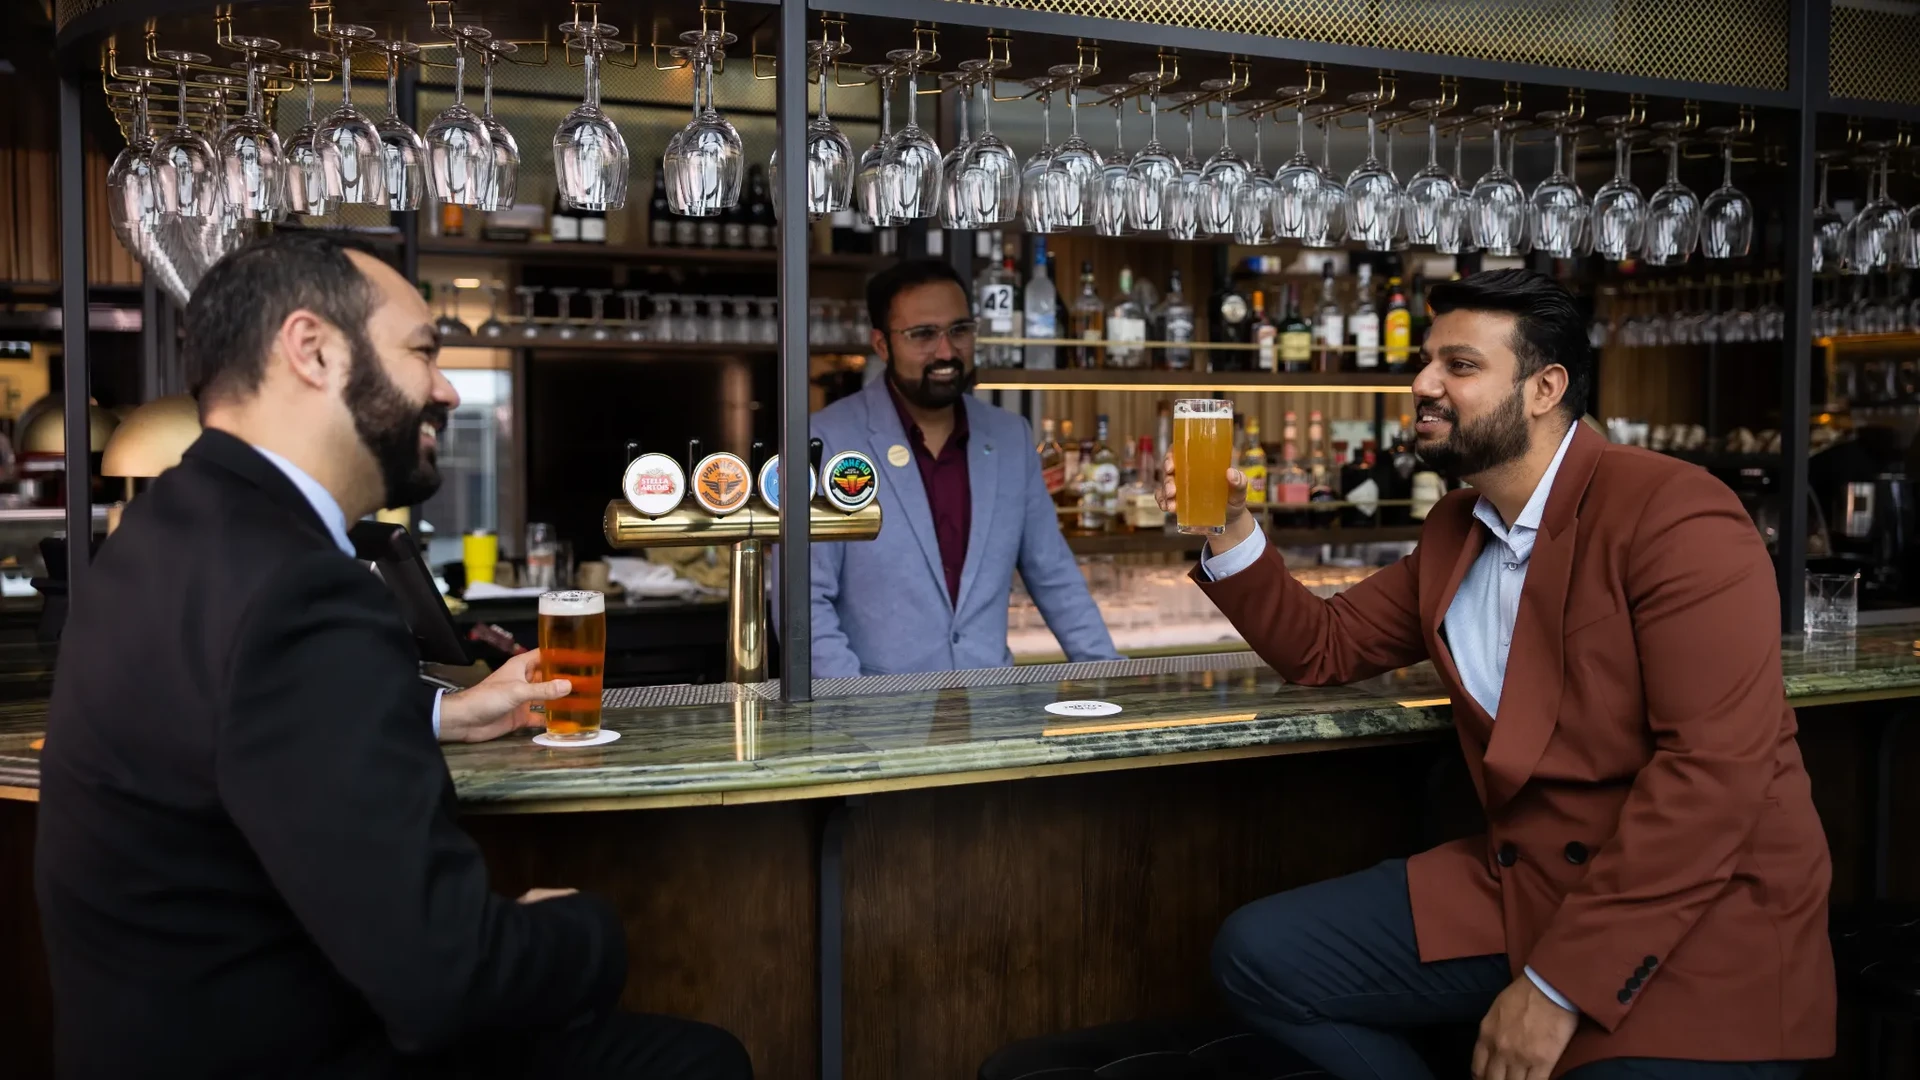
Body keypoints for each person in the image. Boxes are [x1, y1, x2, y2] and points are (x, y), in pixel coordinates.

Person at [35, 232, 752, 1080]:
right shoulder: (298, 588)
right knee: (698, 1059)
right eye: (424, 350)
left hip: (151, 1038)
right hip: (289, 1050)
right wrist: (588, 927)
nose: (446, 387)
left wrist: (442, 709)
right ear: (313, 350)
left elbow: (244, 716)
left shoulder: (164, 533)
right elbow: (448, 982)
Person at [1160, 270, 1832, 1079]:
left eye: (1460, 366)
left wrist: (1555, 989)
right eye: (1426, 361)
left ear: (1546, 387)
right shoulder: (1460, 525)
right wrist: (1232, 529)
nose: (1422, 384)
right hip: (1524, 883)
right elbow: (1323, 646)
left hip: (1696, 918)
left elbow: (1712, 780)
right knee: (1259, 955)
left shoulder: (1675, 513)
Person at [801, 259, 1119, 676]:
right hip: (876, 718)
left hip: (990, 712)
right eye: (923, 335)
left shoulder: (1009, 437)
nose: (947, 352)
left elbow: (1054, 574)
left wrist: (1108, 677)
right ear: (882, 345)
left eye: (959, 331)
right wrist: (854, 707)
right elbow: (804, 599)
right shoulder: (827, 440)